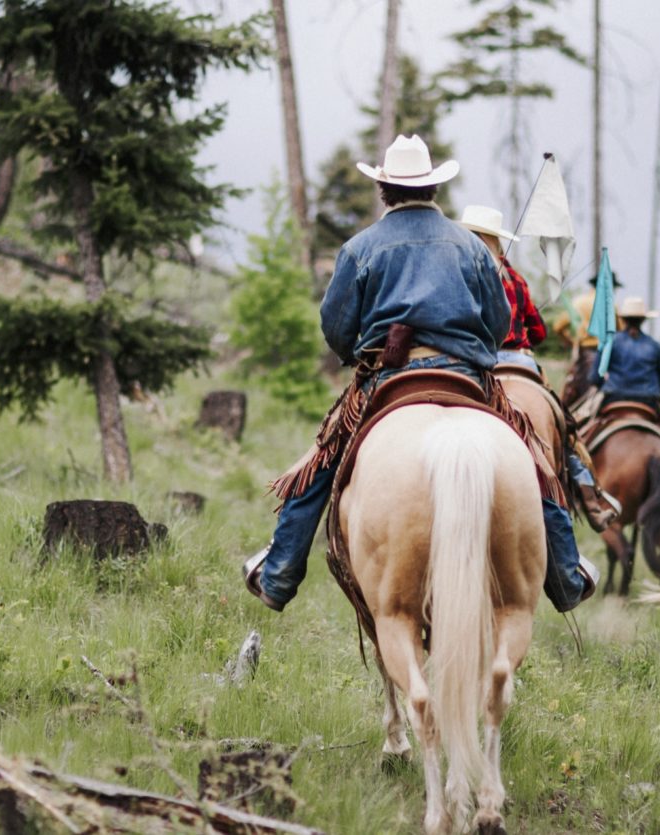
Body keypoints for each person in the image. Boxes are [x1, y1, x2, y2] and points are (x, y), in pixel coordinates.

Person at [242, 135, 598, 614]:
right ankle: (567, 576)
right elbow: (496, 324)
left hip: (388, 378)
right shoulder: (471, 247)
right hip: (467, 377)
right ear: (432, 188)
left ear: (385, 189)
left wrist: (361, 355)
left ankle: (279, 572)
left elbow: (335, 327)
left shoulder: (359, 248)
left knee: (322, 459)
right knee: (535, 462)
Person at [457, 204, 617, 532]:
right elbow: (540, 332)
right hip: (519, 360)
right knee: (563, 427)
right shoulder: (515, 278)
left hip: (477, 361)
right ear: (498, 242)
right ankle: (588, 494)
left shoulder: (461, 274)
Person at [590, 296, 660, 424]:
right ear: (643, 320)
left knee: (589, 425)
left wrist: (603, 384)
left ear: (624, 320)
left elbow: (595, 378)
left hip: (613, 398)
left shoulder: (609, 343)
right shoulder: (655, 346)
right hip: (648, 401)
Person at [553, 272, 623, 406]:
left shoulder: (579, 302)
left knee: (568, 394)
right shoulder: (611, 306)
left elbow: (558, 326)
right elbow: (620, 332)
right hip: (607, 355)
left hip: (585, 353)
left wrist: (570, 341)